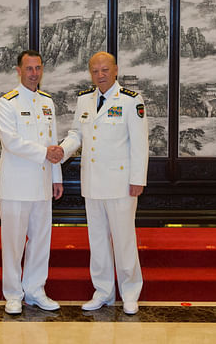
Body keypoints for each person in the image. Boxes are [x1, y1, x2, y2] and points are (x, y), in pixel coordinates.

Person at [57, 51, 148, 315]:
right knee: (97, 241)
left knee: (123, 240)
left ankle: (130, 292)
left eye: (105, 70)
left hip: (121, 184)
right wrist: (63, 150)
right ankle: (103, 292)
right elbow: (77, 133)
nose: (100, 75)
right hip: (93, 182)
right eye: (95, 71)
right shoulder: (84, 100)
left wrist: (137, 179)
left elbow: (140, 144)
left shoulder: (132, 101)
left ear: (116, 70)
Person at [0, 49, 65, 315]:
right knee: (13, 242)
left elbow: (53, 141)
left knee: (40, 240)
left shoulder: (47, 102)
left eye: (38, 68)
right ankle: (13, 294)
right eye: (29, 68)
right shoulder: (7, 103)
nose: (34, 73)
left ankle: (35, 290)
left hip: (42, 183)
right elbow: (11, 142)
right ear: (19, 70)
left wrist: (56, 177)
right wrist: (45, 153)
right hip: (15, 185)